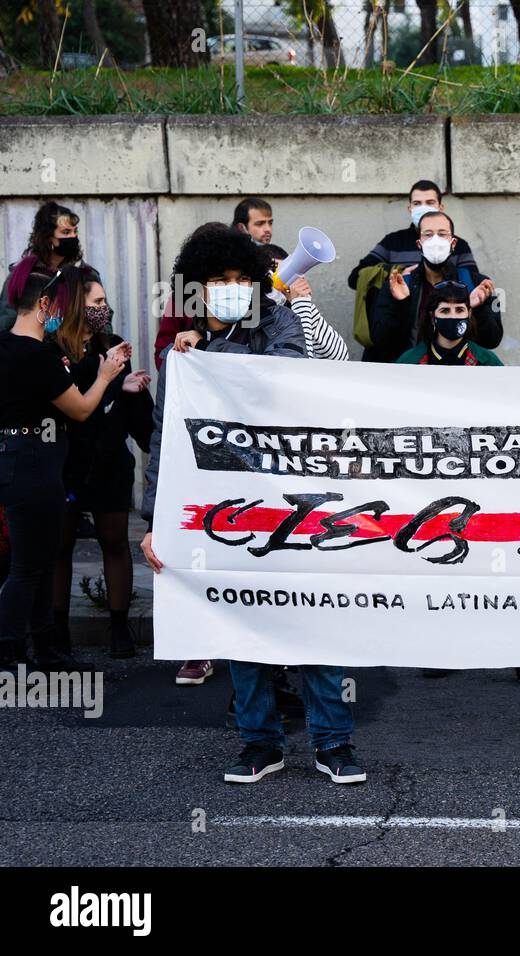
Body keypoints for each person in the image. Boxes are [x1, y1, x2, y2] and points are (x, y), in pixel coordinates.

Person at [139, 224, 365, 784]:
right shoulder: (182, 355)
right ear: (197, 286)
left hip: (294, 500)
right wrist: (155, 522)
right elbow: (164, 436)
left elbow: (276, 383)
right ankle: (259, 743)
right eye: (220, 280)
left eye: (243, 279)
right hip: (224, 509)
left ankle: (333, 743)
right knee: (240, 626)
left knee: (312, 621)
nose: (233, 288)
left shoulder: (277, 323)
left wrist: (214, 350)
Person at [0, 257, 126, 671]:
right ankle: (12, 652)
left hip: (14, 460)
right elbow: (83, 408)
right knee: (27, 568)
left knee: (32, 561)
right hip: (37, 465)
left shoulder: (4, 345)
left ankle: (42, 650)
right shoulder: (39, 357)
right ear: (44, 308)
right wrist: (106, 375)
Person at [48, 268, 154, 661]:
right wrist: (110, 380)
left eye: (104, 302)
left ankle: (119, 625)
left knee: (114, 541)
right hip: (65, 464)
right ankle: (56, 632)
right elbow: (73, 402)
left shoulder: (112, 346)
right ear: (76, 304)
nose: (103, 309)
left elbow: (137, 415)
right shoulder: (53, 349)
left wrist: (134, 392)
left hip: (110, 462)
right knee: (60, 546)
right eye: (95, 302)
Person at [366, 210, 501, 364]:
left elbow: (492, 340)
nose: (435, 240)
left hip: (463, 374)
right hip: (407, 374)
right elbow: (381, 341)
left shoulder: (478, 284)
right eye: (428, 235)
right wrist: (401, 304)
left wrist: (478, 308)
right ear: (419, 244)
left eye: (442, 234)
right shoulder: (398, 285)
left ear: (453, 243)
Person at [347, 179, 479, 290]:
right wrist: (397, 272)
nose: (423, 207)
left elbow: (473, 286)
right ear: (410, 209)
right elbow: (355, 279)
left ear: (440, 208)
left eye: (430, 202)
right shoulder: (393, 242)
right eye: (417, 203)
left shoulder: (458, 245)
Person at [1, 202, 90, 330]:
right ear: (48, 237)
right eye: (66, 232)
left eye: (75, 231)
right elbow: (5, 323)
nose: (73, 237)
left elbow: (100, 316)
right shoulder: (23, 276)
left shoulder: (84, 273)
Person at [396, 280, 502, 367]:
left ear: (469, 314)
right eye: (445, 311)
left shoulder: (488, 362)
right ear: (433, 316)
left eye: (459, 310)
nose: (453, 316)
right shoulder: (410, 361)